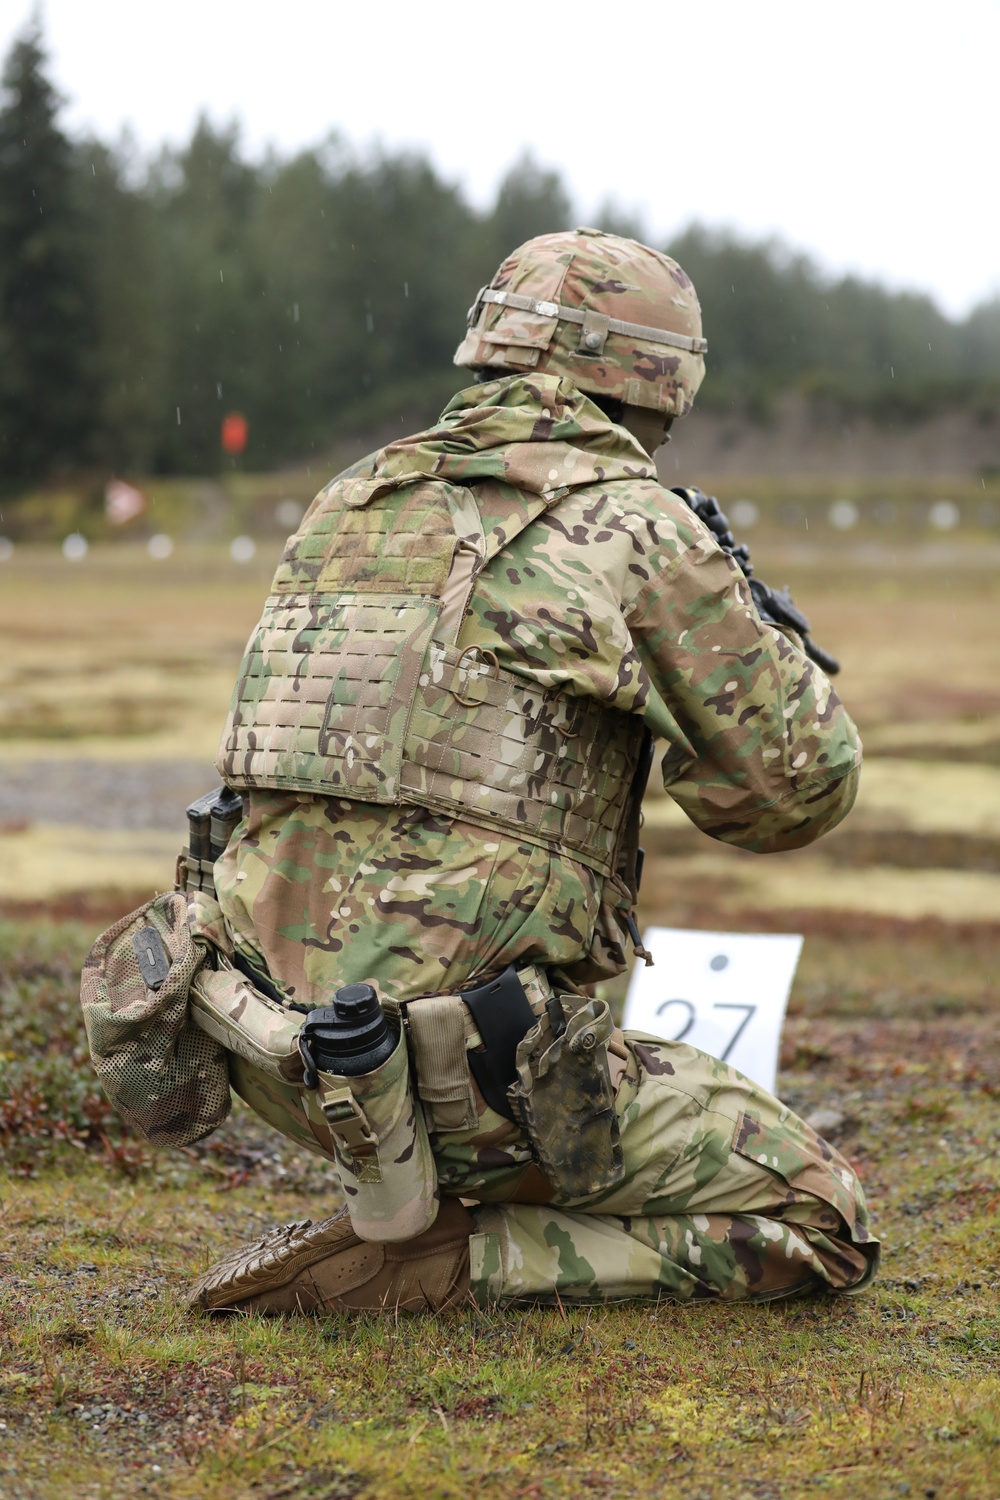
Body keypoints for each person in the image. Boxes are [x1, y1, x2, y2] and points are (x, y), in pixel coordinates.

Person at [189, 228, 878, 1315]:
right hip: (468, 1075)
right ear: (660, 381)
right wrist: (761, 637)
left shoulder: (349, 502)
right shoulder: (637, 528)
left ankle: (414, 1202)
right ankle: (458, 1265)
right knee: (818, 1220)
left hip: (273, 1051)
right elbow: (790, 798)